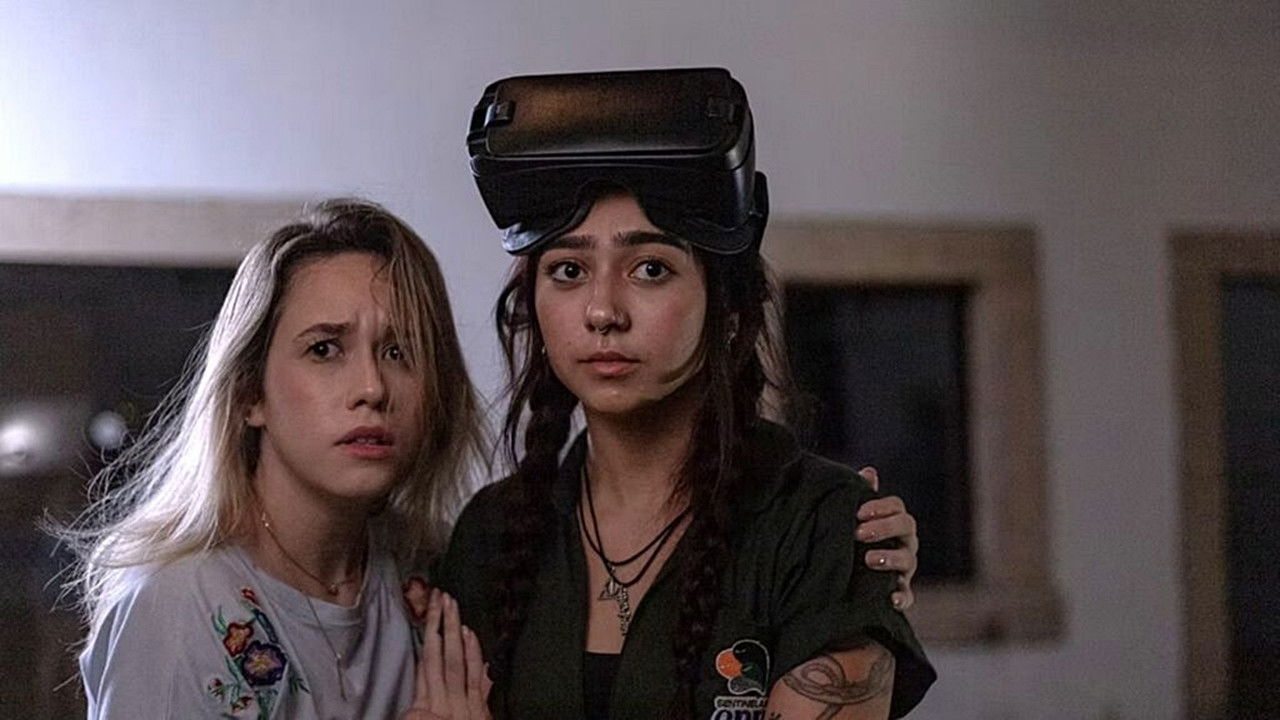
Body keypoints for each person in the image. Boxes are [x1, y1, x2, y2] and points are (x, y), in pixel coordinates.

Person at [424, 68, 935, 719]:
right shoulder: (491, 535)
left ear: (728, 314)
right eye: (569, 270)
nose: (602, 311)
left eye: (650, 269)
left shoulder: (821, 524)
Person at [63, 199, 486, 719]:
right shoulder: (178, 607)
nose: (373, 388)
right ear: (250, 394)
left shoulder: (428, 574)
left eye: (399, 351)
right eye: (325, 349)